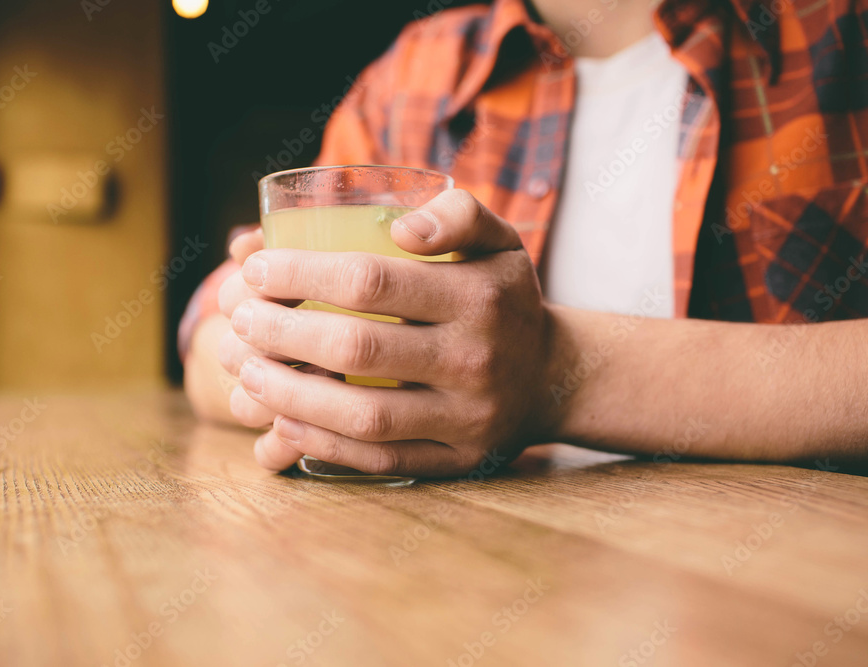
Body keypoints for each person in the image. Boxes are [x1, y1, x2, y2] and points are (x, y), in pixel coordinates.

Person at [179, 0, 868, 477]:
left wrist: (554, 372)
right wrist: (278, 360)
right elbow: (210, 326)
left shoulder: (842, 32)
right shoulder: (415, 77)